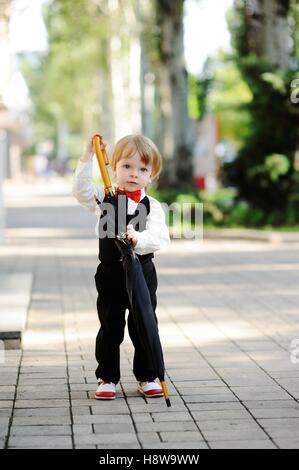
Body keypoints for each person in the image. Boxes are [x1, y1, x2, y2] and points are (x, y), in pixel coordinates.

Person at [72, 133, 170, 400]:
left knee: (143, 324)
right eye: (126, 166)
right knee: (110, 326)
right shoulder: (105, 197)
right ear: (113, 168)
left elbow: (161, 237)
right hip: (111, 274)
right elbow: (80, 191)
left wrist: (139, 239)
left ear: (151, 176)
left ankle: (148, 375)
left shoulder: (152, 206)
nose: (134, 174)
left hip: (142, 273)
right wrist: (87, 156)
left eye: (142, 169)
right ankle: (107, 377)